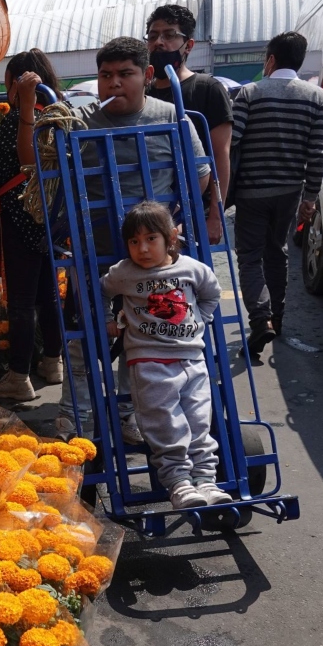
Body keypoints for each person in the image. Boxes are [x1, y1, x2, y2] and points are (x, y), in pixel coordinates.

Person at [15, 36, 211, 441]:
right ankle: (76, 423)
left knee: (149, 340)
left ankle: (136, 416)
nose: (114, 84)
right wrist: (26, 111)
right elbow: (32, 163)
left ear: (148, 76)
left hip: (156, 261)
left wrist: (175, 218)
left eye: (126, 74)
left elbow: (200, 175)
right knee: (84, 341)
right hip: (93, 255)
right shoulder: (77, 120)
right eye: (106, 76)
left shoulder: (171, 116)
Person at [102, 201, 229, 510]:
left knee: (199, 421)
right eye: (134, 241)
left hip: (192, 359)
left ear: (171, 237)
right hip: (148, 360)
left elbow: (211, 293)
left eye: (151, 239)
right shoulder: (124, 273)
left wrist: (202, 318)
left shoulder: (191, 269)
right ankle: (179, 483)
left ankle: (206, 481)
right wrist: (108, 318)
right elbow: (102, 290)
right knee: (164, 423)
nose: (142, 248)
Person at [0, 48, 65, 402]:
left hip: (20, 214)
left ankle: (18, 376)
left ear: (18, 83)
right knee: (48, 293)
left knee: (22, 300)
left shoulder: (19, 118)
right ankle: (52, 361)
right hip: (50, 216)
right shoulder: (56, 114)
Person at [231, 31, 323, 358]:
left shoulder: (250, 93)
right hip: (290, 191)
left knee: (249, 256)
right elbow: (318, 153)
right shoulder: (317, 97)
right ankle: (278, 318)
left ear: (270, 60)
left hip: (251, 192)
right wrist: (310, 198)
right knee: (277, 251)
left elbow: (234, 139)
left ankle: (261, 320)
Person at [144, 3, 233, 244]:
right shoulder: (143, 96)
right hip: (148, 215)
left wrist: (216, 216)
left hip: (194, 214)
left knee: (188, 279)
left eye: (170, 35)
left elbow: (220, 156)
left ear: (189, 45)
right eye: (153, 36)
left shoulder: (207, 89)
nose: (159, 42)